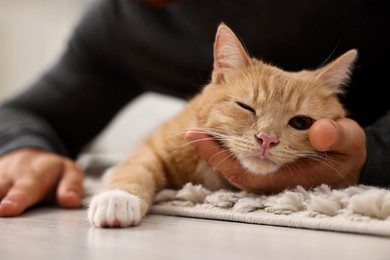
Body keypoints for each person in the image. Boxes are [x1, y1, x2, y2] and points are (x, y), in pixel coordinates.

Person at [0, 0, 389, 217]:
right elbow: (26, 113)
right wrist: (23, 148)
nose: (267, 137)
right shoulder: (118, 19)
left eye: (298, 120)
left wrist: (373, 153)